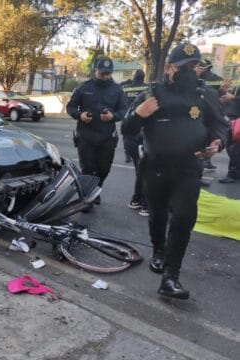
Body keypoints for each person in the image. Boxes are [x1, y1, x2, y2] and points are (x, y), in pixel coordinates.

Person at [122, 43, 229, 299]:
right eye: (184, 67)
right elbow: (127, 129)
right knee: (158, 215)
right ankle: (159, 251)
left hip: (189, 168)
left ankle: (171, 277)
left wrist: (217, 143)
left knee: (183, 217)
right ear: (169, 67)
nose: (190, 72)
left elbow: (219, 126)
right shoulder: (152, 93)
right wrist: (138, 114)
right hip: (155, 167)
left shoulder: (205, 95)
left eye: (194, 67)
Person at [67, 56, 127, 204]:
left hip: (107, 137)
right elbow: (71, 107)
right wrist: (80, 115)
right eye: (103, 73)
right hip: (86, 136)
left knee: (104, 169)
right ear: (96, 71)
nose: (106, 77)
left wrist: (113, 116)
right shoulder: (84, 87)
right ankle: (87, 198)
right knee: (88, 168)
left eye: (108, 73)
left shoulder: (117, 89)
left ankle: (95, 189)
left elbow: (123, 110)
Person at [122, 69, 149, 216]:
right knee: (146, 172)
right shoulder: (147, 91)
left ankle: (136, 199)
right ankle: (145, 204)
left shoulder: (126, 87)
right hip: (140, 136)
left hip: (129, 131)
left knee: (140, 171)